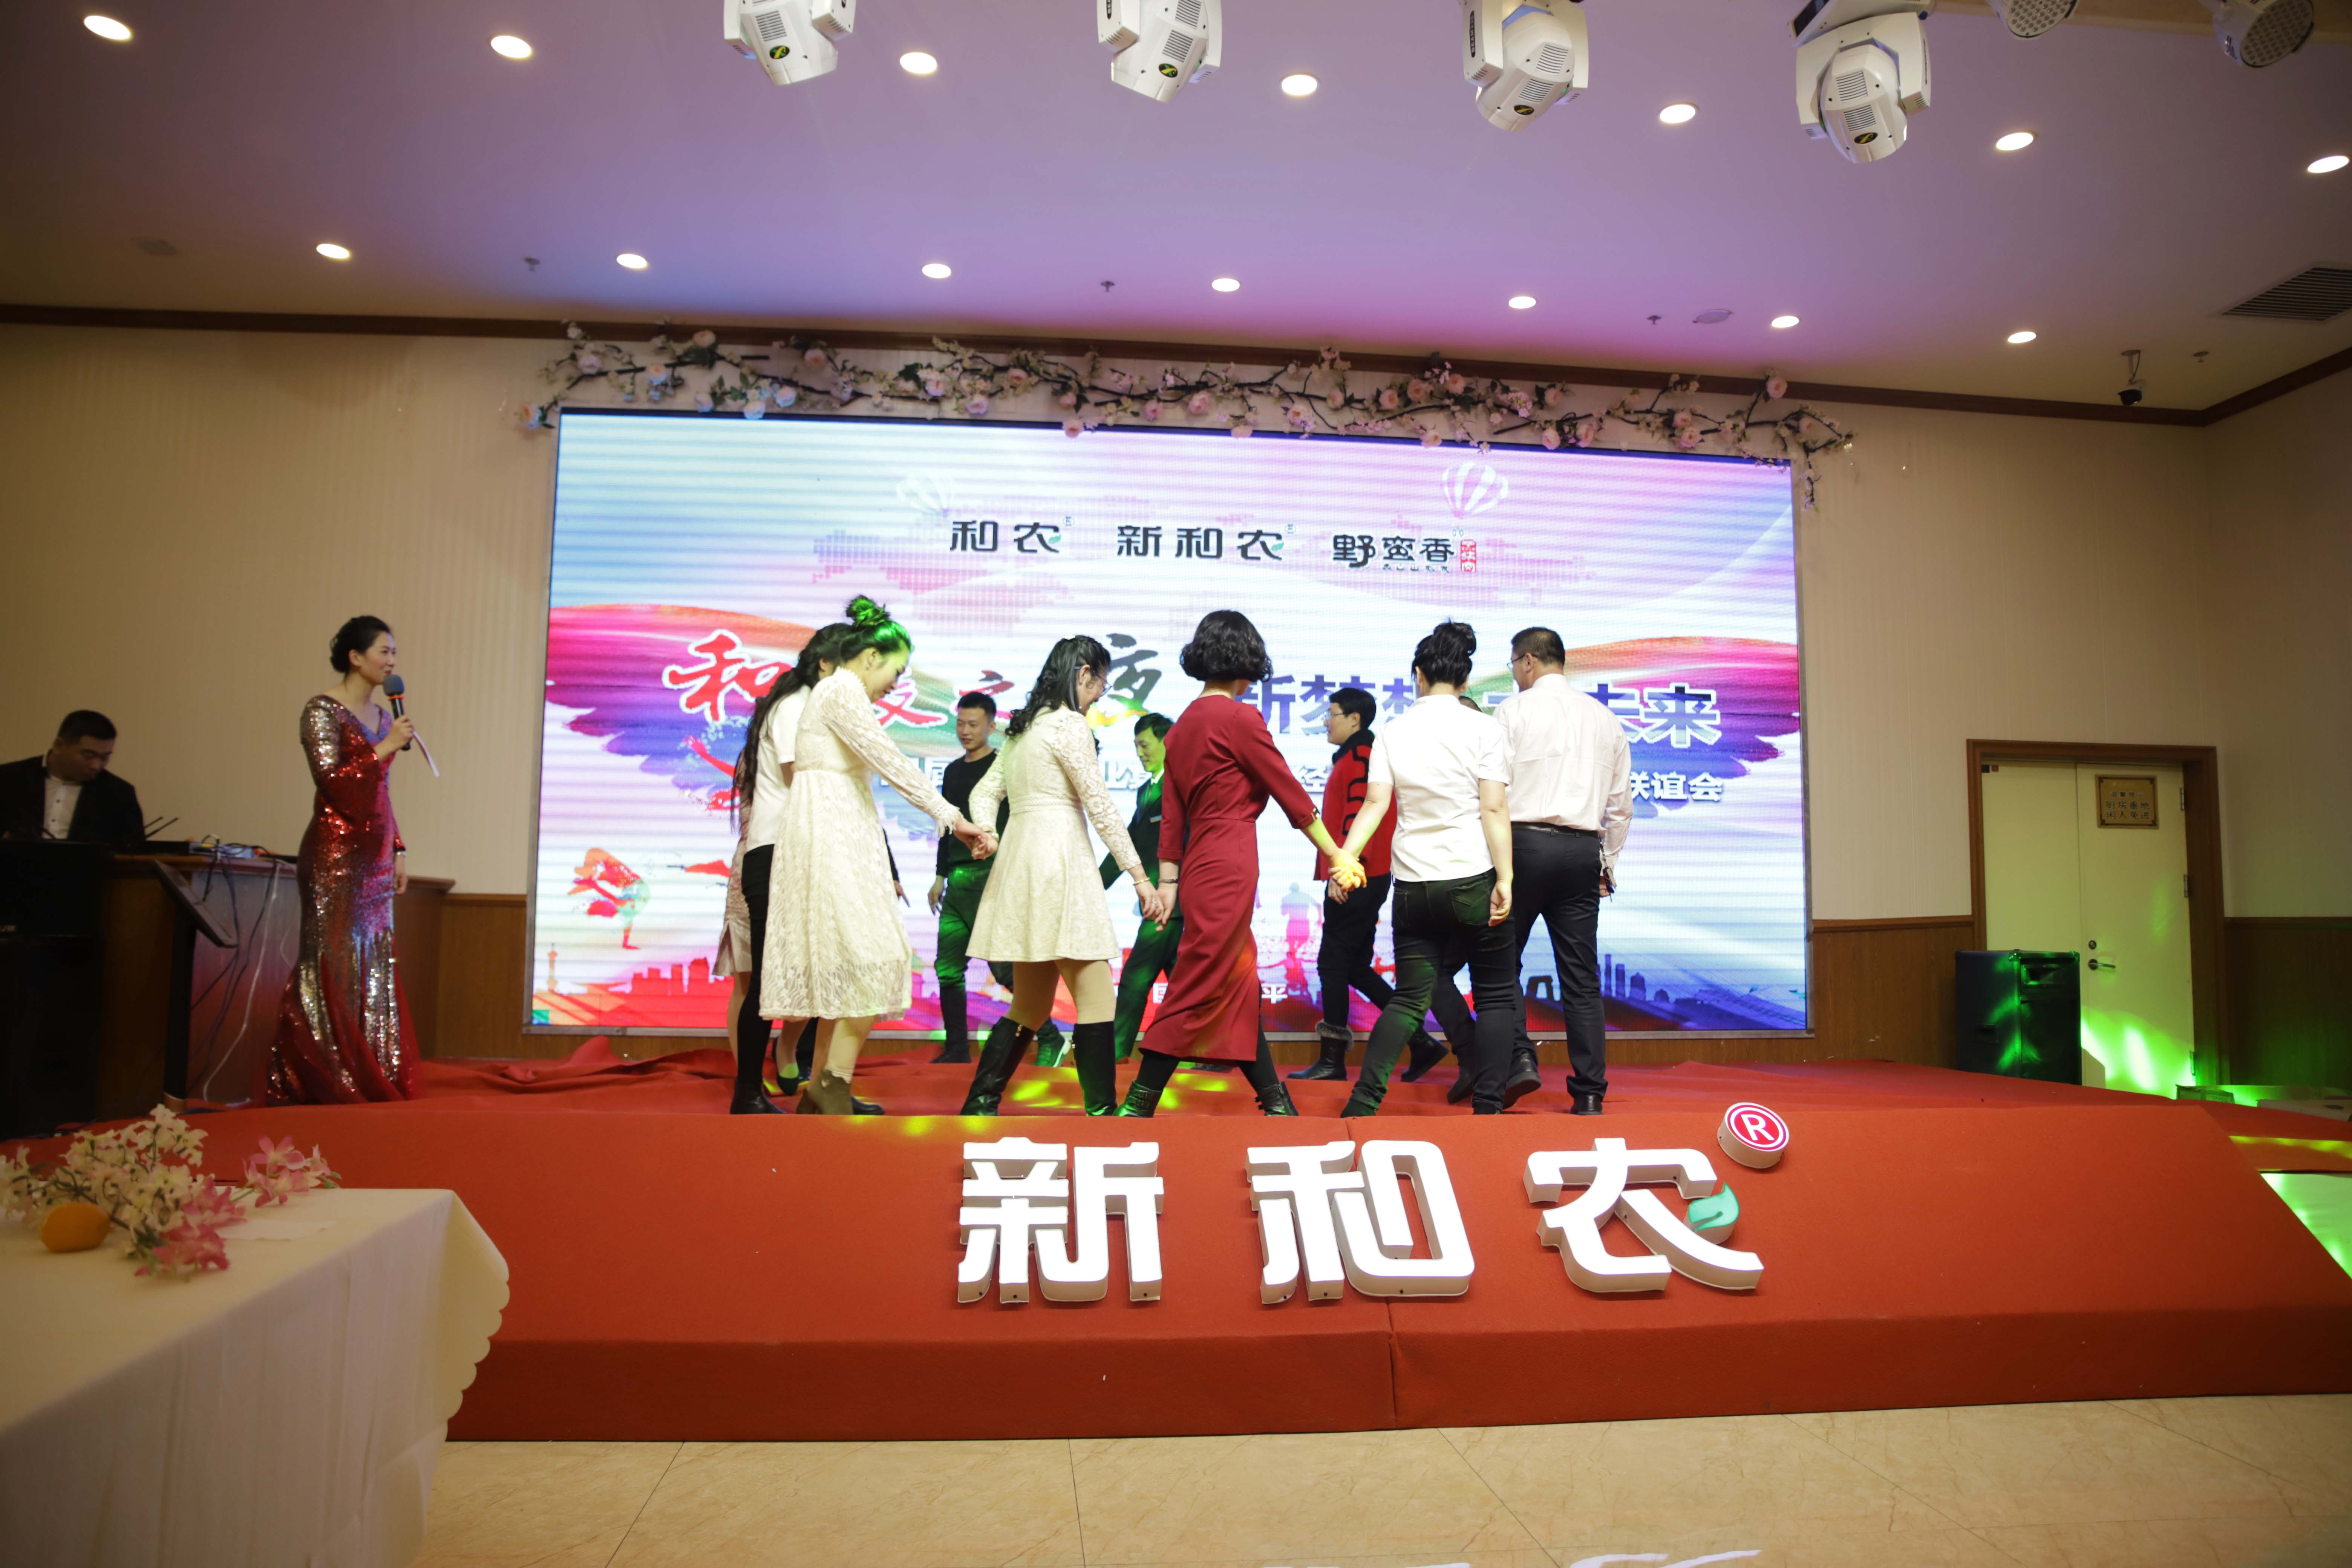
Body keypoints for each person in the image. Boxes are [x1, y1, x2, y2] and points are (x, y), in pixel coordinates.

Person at [1123, 610, 1364, 1118]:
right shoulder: (1240, 719)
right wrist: (1337, 853)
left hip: (1200, 864)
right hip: (1230, 858)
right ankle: (1140, 1100)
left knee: (1238, 979)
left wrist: (1169, 882)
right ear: (1245, 658)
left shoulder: (1183, 725)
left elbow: (1173, 814)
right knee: (1200, 977)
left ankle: (1276, 1101)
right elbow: (1290, 792)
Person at [760, 597, 989, 1115]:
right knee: (871, 957)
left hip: (840, 827)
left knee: (855, 964)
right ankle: (831, 1084)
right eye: (896, 670)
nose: (896, 683)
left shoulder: (836, 692)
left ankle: (826, 1087)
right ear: (870, 657)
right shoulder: (842, 691)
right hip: (832, 832)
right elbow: (889, 759)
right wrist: (952, 817)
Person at [958, 638, 1170, 1116]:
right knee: (1097, 999)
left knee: (1029, 1006)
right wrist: (1139, 876)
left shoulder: (1023, 728)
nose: (1098, 696)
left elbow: (984, 794)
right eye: (1100, 685)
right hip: (1060, 861)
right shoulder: (1070, 724)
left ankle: (980, 1103)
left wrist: (989, 832)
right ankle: (1102, 1113)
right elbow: (1100, 804)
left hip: (1020, 864)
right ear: (1084, 674)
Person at [1330, 621, 1522, 1117]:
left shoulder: (1394, 731)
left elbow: (1374, 804)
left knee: (1409, 999)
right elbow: (1494, 808)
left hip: (1414, 886)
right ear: (1465, 679)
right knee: (1496, 996)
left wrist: (1344, 858)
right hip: (1473, 877)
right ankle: (1488, 1106)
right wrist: (1505, 877)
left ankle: (1363, 1102)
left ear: (1418, 674)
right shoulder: (1485, 728)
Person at [258, 616, 421, 1104]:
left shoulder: (383, 717)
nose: (391, 661)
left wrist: (398, 849)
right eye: (384, 651)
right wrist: (386, 747)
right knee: (330, 960)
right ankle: (321, 1077)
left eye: (394, 653)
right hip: (334, 856)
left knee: (372, 965)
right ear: (355, 656)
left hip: (375, 858)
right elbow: (332, 783)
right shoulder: (321, 710)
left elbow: (380, 791)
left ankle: (367, 1072)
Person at [1493, 625, 1633, 1116]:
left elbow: (1492, 793)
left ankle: (1519, 1059)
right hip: (1582, 852)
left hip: (1523, 847)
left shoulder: (1512, 711)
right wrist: (1607, 864)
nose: (1515, 673)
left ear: (1528, 661)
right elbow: (1620, 805)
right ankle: (1590, 1092)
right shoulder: (1605, 718)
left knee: (1500, 965)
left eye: (1514, 664)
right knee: (1581, 977)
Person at [1290, 687, 1459, 1084]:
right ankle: (1421, 1042)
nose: (1326, 722)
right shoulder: (1357, 754)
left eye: (1332, 714)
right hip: (1364, 873)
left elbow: (1357, 816)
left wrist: (1346, 871)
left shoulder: (1362, 755)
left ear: (1354, 719)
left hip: (1358, 874)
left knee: (1333, 963)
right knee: (1353, 966)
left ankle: (1332, 1060)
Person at [716, 621, 850, 1114]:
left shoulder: (809, 706)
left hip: (799, 855)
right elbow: (805, 779)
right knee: (766, 983)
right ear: (825, 665)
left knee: (817, 975)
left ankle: (816, 1085)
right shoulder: (796, 706)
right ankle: (749, 1091)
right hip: (777, 856)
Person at [928, 692, 1064, 1067]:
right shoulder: (952, 771)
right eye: (960, 723)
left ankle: (1050, 1037)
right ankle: (957, 1048)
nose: (965, 731)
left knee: (1003, 967)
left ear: (991, 725)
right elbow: (946, 828)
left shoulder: (1001, 765)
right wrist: (939, 876)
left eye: (974, 724)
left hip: (991, 876)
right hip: (957, 881)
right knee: (947, 969)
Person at [1101, 712, 1176, 1061]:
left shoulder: (1181, 788)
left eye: (1145, 745)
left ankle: (1113, 1052)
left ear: (1166, 743)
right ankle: (1212, 1052)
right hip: (1159, 902)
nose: (1139, 753)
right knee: (1183, 981)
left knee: (1136, 977)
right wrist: (1096, 883)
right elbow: (1129, 843)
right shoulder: (1146, 790)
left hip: (1172, 901)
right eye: (1136, 746)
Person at [1, 711, 146, 845]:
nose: (96, 766)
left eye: (104, 757)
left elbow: (134, 852)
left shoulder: (119, 793)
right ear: (59, 746)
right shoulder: (8, 778)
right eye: (88, 756)